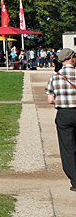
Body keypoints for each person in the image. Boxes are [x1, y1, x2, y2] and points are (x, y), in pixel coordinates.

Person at [46, 48, 76, 191]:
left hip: (64, 114)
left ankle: (74, 180)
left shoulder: (55, 77)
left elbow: (50, 100)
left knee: (67, 149)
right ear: (71, 58)